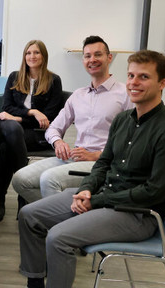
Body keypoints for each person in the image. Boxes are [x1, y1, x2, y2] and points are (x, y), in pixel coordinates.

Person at [18, 50, 165, 288]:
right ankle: (35, 282)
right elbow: (103, 163)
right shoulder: (123, 120)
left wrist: (96, 200)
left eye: (144, 77)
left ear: (162, 83)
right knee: (29, 216)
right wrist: (87, 189)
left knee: (58, 238)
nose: (134, 82)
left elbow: (154, 192)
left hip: (137, 214)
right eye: (131, 75)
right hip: (104, 196)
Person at [12, 36, 134, 211]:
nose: (92, 60)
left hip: (102, 163)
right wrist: (58, 141)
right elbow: (53, 127)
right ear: (83, 60)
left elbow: (132, 140)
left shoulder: (125, 94)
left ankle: (60, 226)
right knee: (20, 179)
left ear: (109, 58)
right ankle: (64, 213)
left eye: (97, 54)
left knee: (49, 179)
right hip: (74, 157)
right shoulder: (78, 95)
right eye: (87, 56)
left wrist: (98, 155)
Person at [0, 40, 65, 223]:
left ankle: (0, 199)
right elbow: (6, 107)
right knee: (11, 128)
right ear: (24, 56)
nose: (32, 56)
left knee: (6, 148)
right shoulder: (15, 77)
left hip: (36, 134)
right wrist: (32, 112)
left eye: (36, 53)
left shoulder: (54, 80)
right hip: (10, 128)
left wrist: (18, 118)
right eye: (28, 53)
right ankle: (23, 196)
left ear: (43, 56)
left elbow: (50, 117)